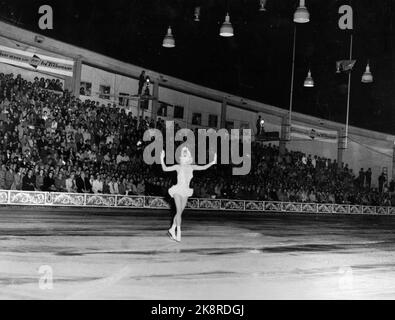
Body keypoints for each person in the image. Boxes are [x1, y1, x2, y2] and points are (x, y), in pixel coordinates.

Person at [160, 147, 216, 242]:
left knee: (180, 213)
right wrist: (162, 158)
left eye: (186, 152)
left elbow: (204, 167)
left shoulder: (191, 167)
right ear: (182, 155)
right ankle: (179, 232)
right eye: (183, 152)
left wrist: (213, 162)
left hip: (186, 191)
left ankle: (172, 229)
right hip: (177, 190)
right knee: (178, 211)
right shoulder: (178, 166)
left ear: (189, 155)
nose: (185, 153)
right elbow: (165, 169)